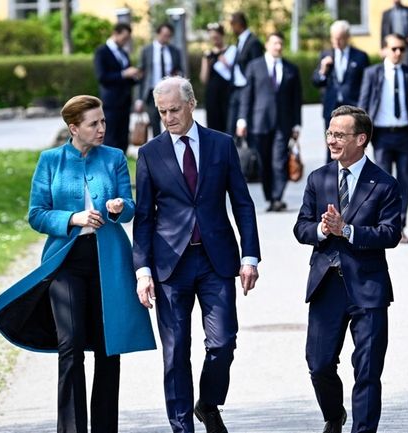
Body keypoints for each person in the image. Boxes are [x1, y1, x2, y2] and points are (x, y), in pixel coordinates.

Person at [0, 95, 156, 433]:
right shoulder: (50, 161)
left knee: (109, 349)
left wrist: (119, 209)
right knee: (71, 346)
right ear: (73, 128)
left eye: (103, 121)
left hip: (109, 261)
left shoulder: (115, 158)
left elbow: (132, 208)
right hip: (66, 263)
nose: (102, 128)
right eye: (94, 124)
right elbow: (36, 214)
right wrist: (73, 217)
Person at [133, 76, 260, 433]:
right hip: (169, 265)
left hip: (216, 260)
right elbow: (143, 217)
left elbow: (243, 204)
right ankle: (181, 427)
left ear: (192, 104)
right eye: (162, 112)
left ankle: (207, 403)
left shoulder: (221, 145)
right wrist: (142, 270)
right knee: (175, 353)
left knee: (223, 343)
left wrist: (250, 256)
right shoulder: (150, 153)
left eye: (174, 109)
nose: (169, 117)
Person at [294, 105, 402, 433]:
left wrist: (349, 231)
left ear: (361, 139)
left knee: (367, 370)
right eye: (330, 133)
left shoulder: (384, 184)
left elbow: (391, 234)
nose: (332, 140)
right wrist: (323, 230)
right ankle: (334, 413)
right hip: (327, 284)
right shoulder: (318, 178)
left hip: (368, 287)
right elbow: (302, 227)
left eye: (340, 134)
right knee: (319, 363)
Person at [359, 33, 408, 243]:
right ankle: (384, 225)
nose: (398, 53)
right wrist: (359, 136)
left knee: (404, 182)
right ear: (384, 50)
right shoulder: (372, 73)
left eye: (401, 49)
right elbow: (363, 106)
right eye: (393, 49)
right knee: (382, 182)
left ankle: (398, 228)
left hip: (405, 135)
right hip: (381, 135)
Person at [237, 32, 302, 212]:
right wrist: (242, 120)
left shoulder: (291, 69)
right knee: (264, 162)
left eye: (281, 43)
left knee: (279, 161)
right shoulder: (254, 66)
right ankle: (270, 196)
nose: (278, 47)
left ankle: (277, 197)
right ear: (267, 45)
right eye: (275, 43)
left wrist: (297, 124)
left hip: (283, 123)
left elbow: (297, 99)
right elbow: (246, 96)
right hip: (260, 122)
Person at [312, 20, 369, 163]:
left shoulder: (360, 57)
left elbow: (366, 85)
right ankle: (331, 180)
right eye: (333, 38)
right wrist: (323, 70)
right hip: (331, 108)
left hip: (352, 108)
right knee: (332, 145)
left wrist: (362, 107)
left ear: (347, 37)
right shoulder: (326, 55)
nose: (336, 41)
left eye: (340, 38)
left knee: (352, 145)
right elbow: (316, 81)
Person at [93, 23, 141, 153]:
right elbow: (102, 77)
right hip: (111, 102)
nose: (125, 41)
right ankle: (109, 167)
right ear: (115, 33)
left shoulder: (124, 53)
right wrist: (124, 73)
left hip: (125, 101)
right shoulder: (102, 51)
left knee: (123, 138)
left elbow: (127, 79)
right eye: (124, 38)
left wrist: (136, 76)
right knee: (111, 137)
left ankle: (121, 166)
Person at [136, 23, 183, 137]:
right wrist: (139, 99)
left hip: (170, 91)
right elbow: (140, 75)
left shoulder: (174, 51)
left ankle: (172, 143)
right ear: (158, 34)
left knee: (172, 119)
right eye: (164, 35)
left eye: (169, 36)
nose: (166, 38)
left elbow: (180, 70)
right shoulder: (146, 50)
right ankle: (159, 146)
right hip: (152, 91)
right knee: (154, 121)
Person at [226, 12, 264, 136]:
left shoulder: (253, 42)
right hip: (236, 89)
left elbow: (257, 68)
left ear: (239, 24)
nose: (231, 28)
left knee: (243, 125)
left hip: (246, 88)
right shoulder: (239, 41)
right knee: (231, 126)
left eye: (232, 24)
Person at [199, 22, 232, 132]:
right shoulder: (208, 54)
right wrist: (206, 64)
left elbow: (236, 74)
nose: (215, 40)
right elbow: (204, 79)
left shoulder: (231, 50)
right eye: (212, 37)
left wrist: (225, 63)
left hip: (227, 93)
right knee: (213, 124)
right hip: (212, 94)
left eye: (216, 37)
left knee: (227, 122)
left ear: (222, 35)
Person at [380, 0, 408, 68]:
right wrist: (382, 47)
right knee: (392, 66)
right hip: (392, 47)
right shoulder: (387, 13)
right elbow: (383, 33)